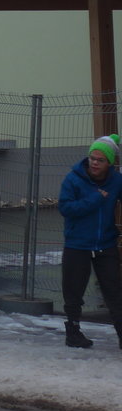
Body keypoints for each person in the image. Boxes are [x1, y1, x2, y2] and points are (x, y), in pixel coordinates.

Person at [57, 134, 122, 349]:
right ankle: (73, 333)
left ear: (109, 163)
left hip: (105, 244)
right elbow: (66, 208)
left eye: (100, 160)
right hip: (77, 244)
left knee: (114, 292)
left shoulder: (116, 181)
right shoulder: (73, 179)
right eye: (92, 158)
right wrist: (95, 199)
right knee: (73, 292)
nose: (94, 163)